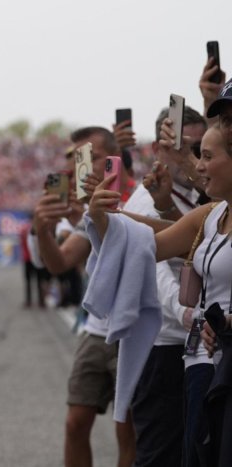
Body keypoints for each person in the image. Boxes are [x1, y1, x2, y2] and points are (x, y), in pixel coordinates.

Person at [86, 103, 232, 465]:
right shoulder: (211, 214)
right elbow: (147, 246)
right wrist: (102, 215)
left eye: (206, 156)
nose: (198, 167)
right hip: (201, 363)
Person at [32, 125, 137, 467]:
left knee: (128, 430)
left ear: (114, 158)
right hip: (96, 329)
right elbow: (60, 262)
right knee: (75, 423)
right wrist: (43, 230)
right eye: (79, 158)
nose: (82, 167)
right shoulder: (90, 209)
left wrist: (99, 216)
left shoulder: (142, 197)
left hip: (134, 330)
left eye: (91, 157)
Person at [121, 104, 207, 466]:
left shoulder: (203, 194)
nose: (194, 157)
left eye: (200, 148)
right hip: (164, 343)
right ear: (159, 149)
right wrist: (186, 312)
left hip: (197, 341)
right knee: (160, 452)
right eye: (184, 147)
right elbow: (153, 270)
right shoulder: (146, 199)